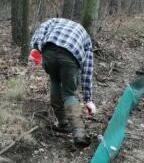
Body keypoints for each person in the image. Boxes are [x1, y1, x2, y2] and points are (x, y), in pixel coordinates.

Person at [29, 18, 96, 147]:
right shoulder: (85, 37)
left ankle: (62, 122)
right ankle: (79, 133)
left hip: (49, 51)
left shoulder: (55, 21)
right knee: (69, 94)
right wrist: (88, 99)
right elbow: (87, 69)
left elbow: (41, 28)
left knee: (54, 80)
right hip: (71, 56)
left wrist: (36, 47)